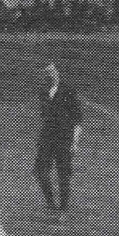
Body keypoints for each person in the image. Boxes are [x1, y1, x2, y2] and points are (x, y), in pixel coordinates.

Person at [34, 63, 83, 213]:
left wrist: (74, 142)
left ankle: (63, 208)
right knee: (39, 172)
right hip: (47, 139)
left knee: (63, 175)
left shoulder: (68, 91)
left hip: (64, 139)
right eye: (47, 72)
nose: (51, 74)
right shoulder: (43, 92)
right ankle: (50, 204)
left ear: (57, 71)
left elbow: (78, 120)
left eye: (53, 70)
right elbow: (45, 116)